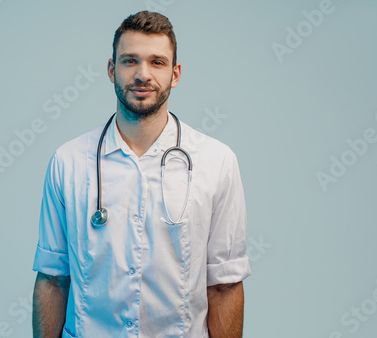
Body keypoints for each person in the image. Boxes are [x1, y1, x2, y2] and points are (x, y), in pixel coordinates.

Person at [32, 10, 251, 338]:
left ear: (175, 74)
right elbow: (52, 280)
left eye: (157, 62)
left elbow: (224, 285)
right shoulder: (69, 162)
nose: (142, 74)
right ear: (111, 69)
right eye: (130, 61)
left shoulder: (216, 161)